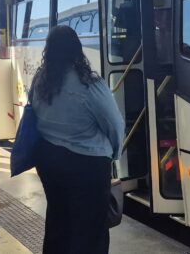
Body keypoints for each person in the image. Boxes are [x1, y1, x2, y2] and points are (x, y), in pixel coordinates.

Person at [29, 25, 125, 254]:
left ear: (49, 49)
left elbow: (33, 110)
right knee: (89, 231)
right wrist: (115, 153)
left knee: (58, 222)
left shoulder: (41, 80)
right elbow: (114, 124)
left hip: (49, 161)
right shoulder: (89, 83)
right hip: (87, 166)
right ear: (77, 49)